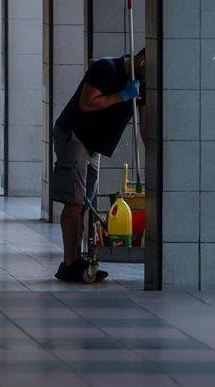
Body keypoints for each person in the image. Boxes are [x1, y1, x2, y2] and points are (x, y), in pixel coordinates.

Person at [51, 49, 146, 283]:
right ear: (142, 61)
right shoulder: (106, 68)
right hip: (75, 136)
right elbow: (87, 103)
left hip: (94, 145)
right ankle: (69, 262)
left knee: (85, 202)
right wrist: (122, 95)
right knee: (74, 199)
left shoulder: (140, 83)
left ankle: (78, 257)